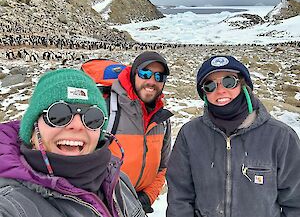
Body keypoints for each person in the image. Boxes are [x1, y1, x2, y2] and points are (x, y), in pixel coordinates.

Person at [166, 55, 300, 217]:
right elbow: (179, 196)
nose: (220, 90)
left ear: (243, 85)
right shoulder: (190, 134)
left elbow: (295, 202)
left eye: (229, 81)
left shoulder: (280, 137)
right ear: (204, 94)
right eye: (210, 85)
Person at [0, 69, 145, 217]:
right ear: (31, 130)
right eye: (58, 114)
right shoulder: (11, 205)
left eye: (92, 118)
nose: (77, 125)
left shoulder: (119, 181)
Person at [108, 51, 173, 213]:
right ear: (133, 75)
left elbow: (163, 167)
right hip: (106, 203)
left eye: (159, 77)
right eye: (145, 73)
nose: (151, 81)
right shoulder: (108, 109)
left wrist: (148, 196)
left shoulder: (162, 119)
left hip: (139, 205)